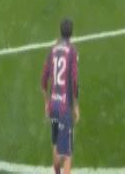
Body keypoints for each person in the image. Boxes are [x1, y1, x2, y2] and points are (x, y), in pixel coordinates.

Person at [41, 18, 80, 174]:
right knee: (67, 155)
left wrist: (46, 102)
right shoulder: (72, 51)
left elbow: (43, 81)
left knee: (56, 144)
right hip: (64, 107)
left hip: (54, 105)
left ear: (60, 31)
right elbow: (74, 81)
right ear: (71, 33)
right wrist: (75, 106)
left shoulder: (52, 50)